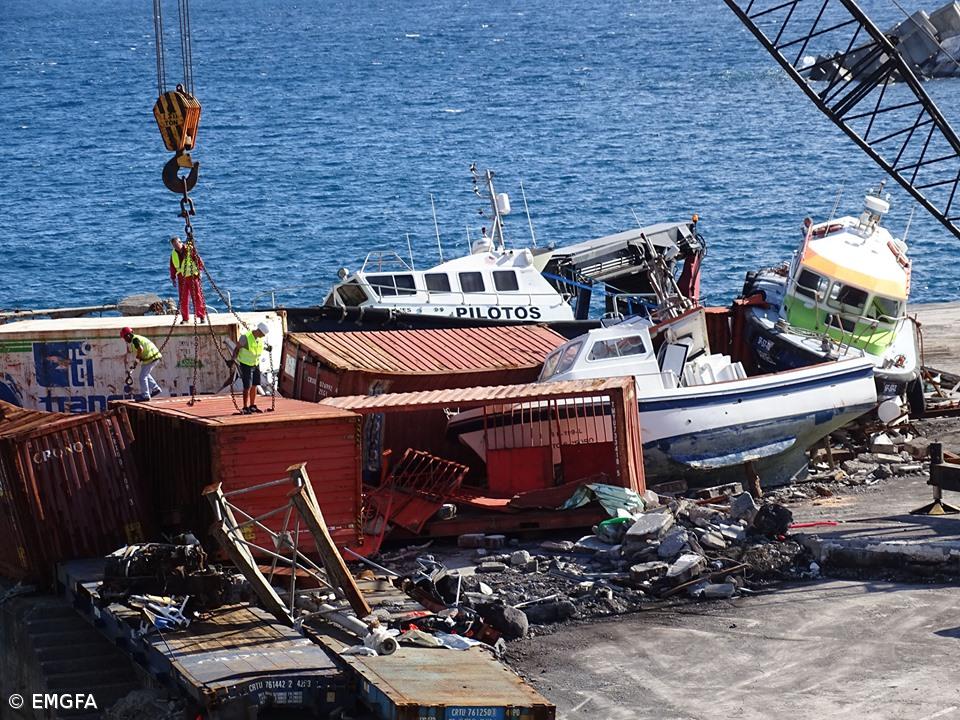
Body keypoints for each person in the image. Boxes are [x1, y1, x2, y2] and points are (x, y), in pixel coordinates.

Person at [228, 321, 271, 414]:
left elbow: (257, 348)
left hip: (255, 363)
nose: (263, 336)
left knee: (255, 384)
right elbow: (237, 348)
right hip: (245, 363)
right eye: (263, 334)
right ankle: (245, 407)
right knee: (247, 386)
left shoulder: (259, 339)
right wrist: (232, 360)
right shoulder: (245, 337)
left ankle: (252, 405)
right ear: (258, 331)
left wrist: (268, 348)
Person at [169, 235, 206, 323]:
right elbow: (172, 267)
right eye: (174, 245)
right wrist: (173, 278)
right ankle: (185, 318)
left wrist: (200, 272)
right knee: (183, 299)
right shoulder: (173, 254)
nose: (176, 247)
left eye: (177, 244)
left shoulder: (190, 249)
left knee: (197, 296)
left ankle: (201, 316)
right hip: (182, 278)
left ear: (181, 242)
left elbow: (199, 261)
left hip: (193, 276)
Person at [121, 327, 163, 401]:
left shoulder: (135, 340)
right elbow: (141, 352)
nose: (125, 340)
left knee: (142, 377)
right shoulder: (136, 338)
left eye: (124, 338)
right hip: (151, 358)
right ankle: (155, 388)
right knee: (146, 374)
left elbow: (140, 349)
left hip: (152, 358)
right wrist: (135, 363)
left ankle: (146, 395)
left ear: (128, 335)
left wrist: (137, 360)